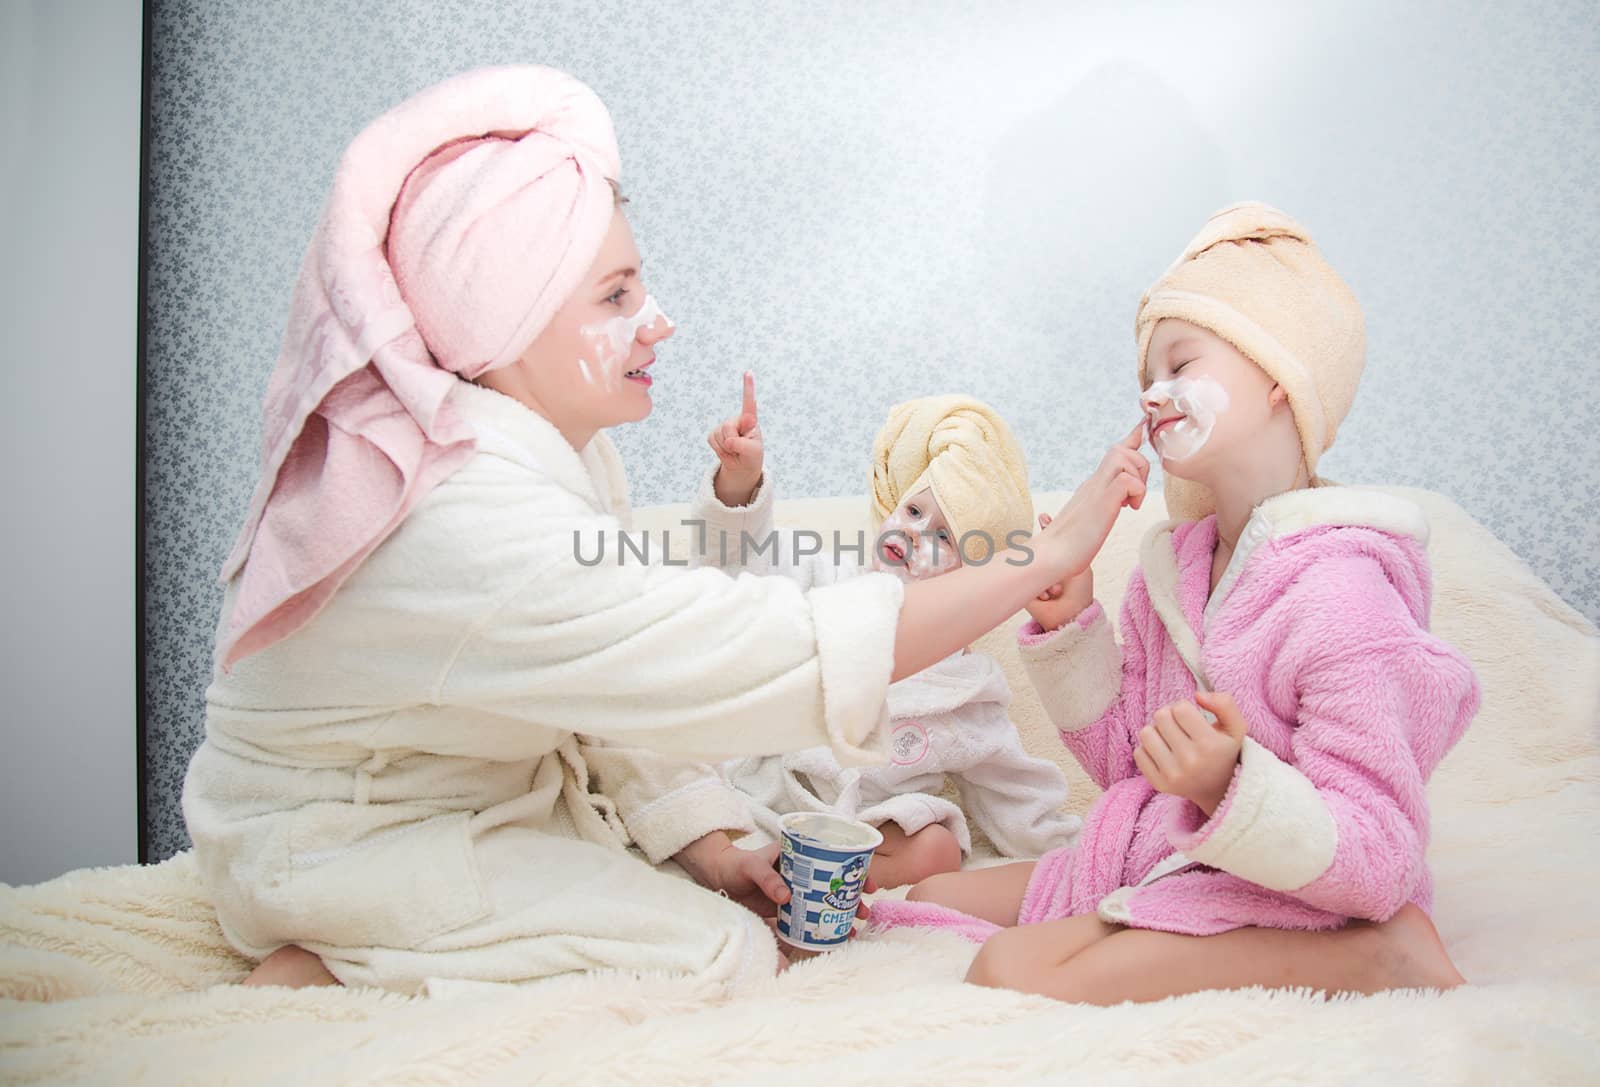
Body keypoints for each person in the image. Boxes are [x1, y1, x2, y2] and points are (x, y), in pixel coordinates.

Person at [179, 65, 1145, 995]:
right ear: (501, 316)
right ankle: (339, 956)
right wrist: (1044, 557)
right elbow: (740, 650)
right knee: (718, 955)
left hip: (465, 795)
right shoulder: (463, 514)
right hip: (346, 845)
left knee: (714, 895)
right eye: (615, 295)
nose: (658, 322)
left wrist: (708, 839)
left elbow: (603, 688)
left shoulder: (552, 455)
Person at [868, 202, 1481, 1005]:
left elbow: (1378, 851)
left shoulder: (1344, 596)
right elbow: (1133, 770)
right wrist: (1071, 628)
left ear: (1276, 376)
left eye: (1181, 364)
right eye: (1146, 379)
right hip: (1169, 858)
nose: (1154, 396)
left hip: (1288, 897)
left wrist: (1229, 784)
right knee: (914, 905)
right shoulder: (1178, 573)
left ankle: (1379, 956)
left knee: (1005, 968)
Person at [696, 388, 1080, 888]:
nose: (916, 534)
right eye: (914, 513)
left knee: (936, 844)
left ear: (974, 577)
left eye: (944, 538)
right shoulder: (828, 574)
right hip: (773, 794)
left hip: (864, 828)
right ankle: (760, 862)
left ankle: (825, 882)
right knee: (694, 778)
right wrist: (739, 483)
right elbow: (742, 562)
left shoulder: (965, 683)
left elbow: (1012, 784)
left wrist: (1070, 854)